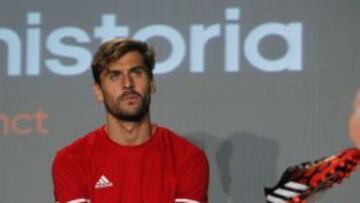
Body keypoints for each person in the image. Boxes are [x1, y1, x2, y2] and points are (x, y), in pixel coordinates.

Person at [52, 38, 209, 203]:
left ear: (152, 83)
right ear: (98, 91)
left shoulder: (188, 159)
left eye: (136, 73)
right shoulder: (71, 160)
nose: (127, 84)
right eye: (114, 76)